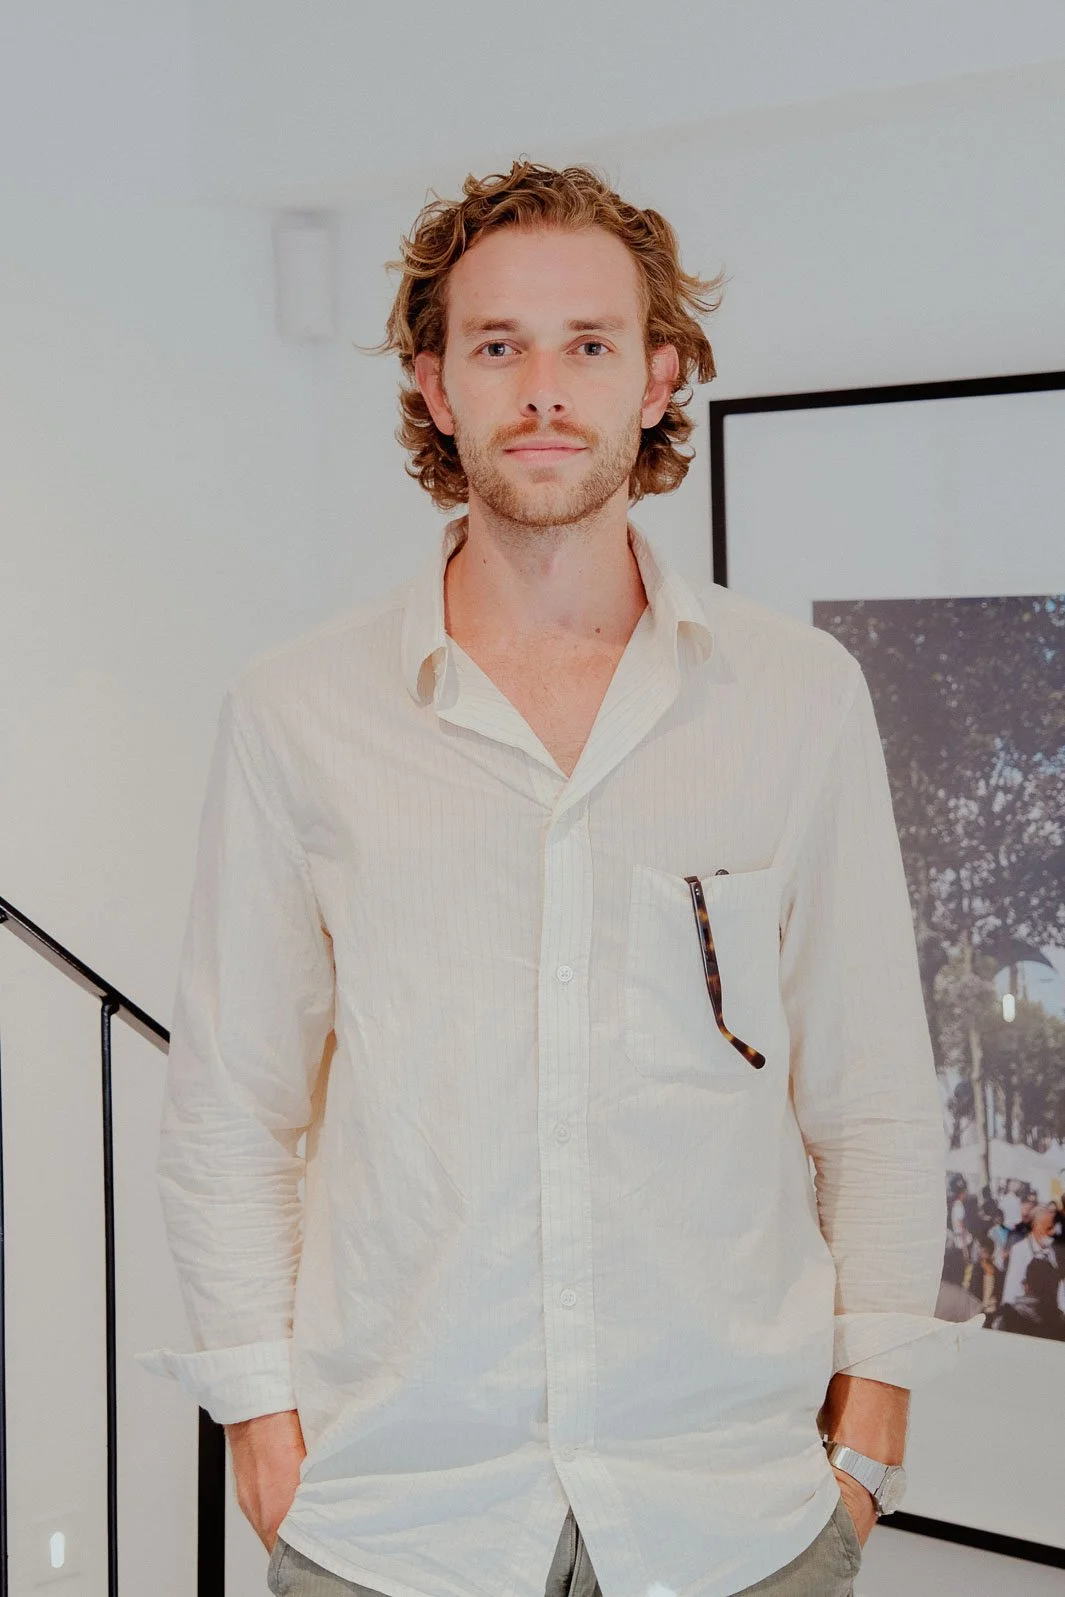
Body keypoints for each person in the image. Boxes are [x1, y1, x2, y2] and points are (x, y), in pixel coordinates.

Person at [136, 160, 985, 1597]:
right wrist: (263, 1426)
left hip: (737, 1513)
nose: (544, 387)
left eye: (590, 344)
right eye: (496, 346)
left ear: (659, 377)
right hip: (395, 1516)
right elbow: (233, 1106)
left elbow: (872, 1088)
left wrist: (875, 1426)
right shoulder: (298, 712)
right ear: (432, 383)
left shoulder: (796, 697)